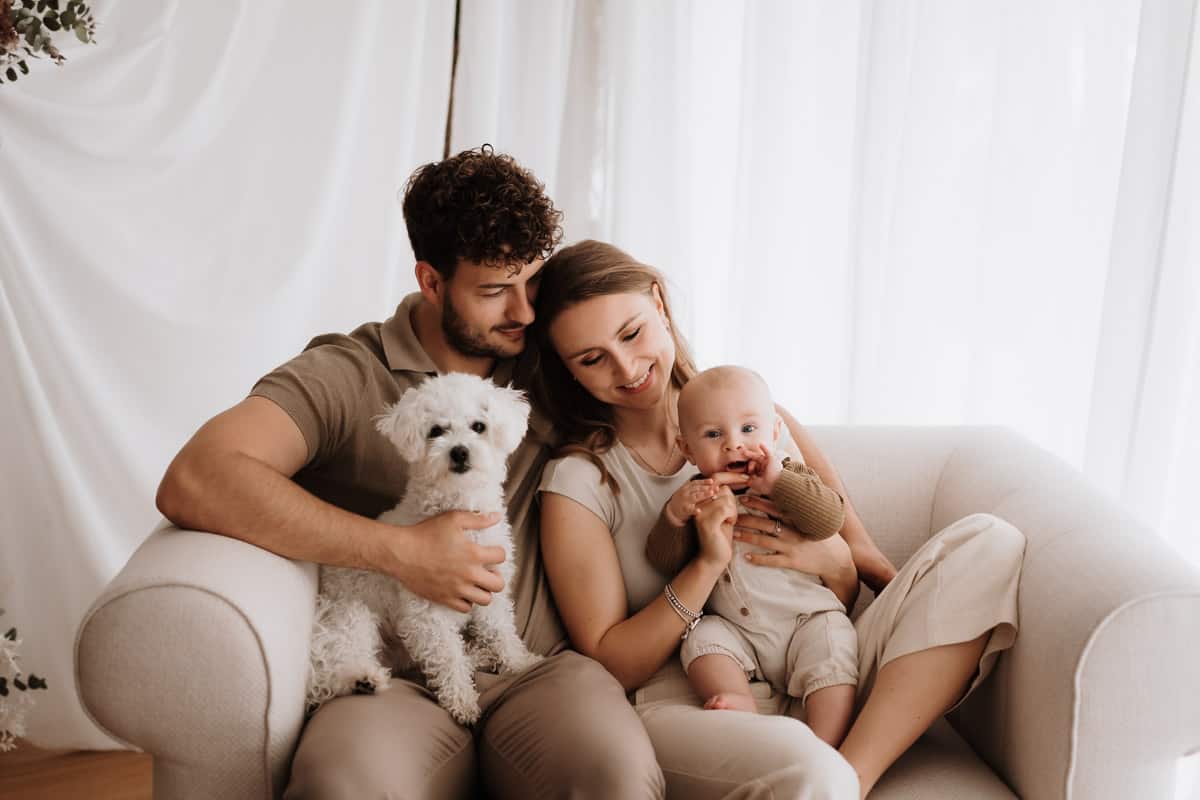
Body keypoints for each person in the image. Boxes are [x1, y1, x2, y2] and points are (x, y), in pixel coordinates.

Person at [155, 148, 663, 799]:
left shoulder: (554, 353)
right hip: (393, 678)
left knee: (614, 778)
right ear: (430, 281)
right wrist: (401, 552)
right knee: (344, 787)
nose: (525, 312)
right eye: (493, 291)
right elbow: (196, 478)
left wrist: (833, 525)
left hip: (540, 670)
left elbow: (687, 392)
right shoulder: (346, 375)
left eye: (531, 282)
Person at [527, 239, 1025, 799]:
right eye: (591, 359)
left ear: (659, 305)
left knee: (990, 542)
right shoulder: (580, 480)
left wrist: (836, 564)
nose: (626, 368)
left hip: (820, 653)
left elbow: (862, 563)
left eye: (632, 333)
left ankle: (851, 776)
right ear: (568, 372)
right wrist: (708, 564)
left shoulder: (760, 420)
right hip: (702, 690)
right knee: (815, 774)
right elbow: (615, 663)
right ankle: (836, 779)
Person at [643, 364, 857, 747]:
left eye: (748, 429)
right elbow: (664, 563)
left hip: (805, 619)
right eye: (713, 434)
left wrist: (777, 482)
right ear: (687, 449)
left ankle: (825, 743)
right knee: (701, 638)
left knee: (834, 646)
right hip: (737, 632)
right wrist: (673, 518)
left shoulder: (791, 476)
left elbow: (830, 520)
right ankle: (741, 700)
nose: (733, 445)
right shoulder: (697, 497)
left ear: (775, 432)